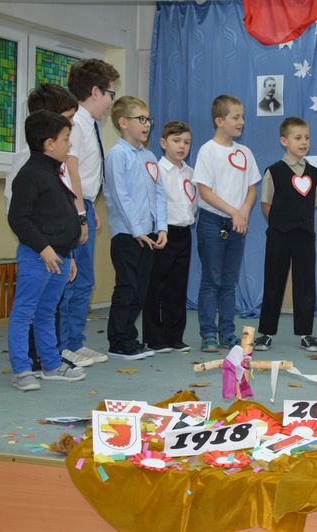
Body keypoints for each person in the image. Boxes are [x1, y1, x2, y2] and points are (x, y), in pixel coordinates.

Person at [3, 84, 85, 372]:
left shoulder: (54, 173)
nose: (70, 145)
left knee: (47, 312)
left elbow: (62, 217)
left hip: (60, 256)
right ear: (49, 144)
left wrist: (69, 254)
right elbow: (18, 219)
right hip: (38, 256)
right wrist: (44, 248)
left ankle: (51, 364)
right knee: (25, 312)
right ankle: (22, 369)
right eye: (66, 139)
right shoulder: (29, 174)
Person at [60, 58, 119, 365]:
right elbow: (71, 171)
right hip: (73, 209)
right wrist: (81, 213)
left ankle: (75, 341)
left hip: (84, 204)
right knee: (71, 280)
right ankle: (63, 346)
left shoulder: (90, 124)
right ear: (96, 92)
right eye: (111, 94)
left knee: (84, 279)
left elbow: (87, 173)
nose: (111, 102)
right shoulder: (76, 125)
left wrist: (90, 206)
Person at [194, 95, 261, 352]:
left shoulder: (245, 152)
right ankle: (208, 333)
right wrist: (234, 212)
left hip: (237, 224)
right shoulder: (208, 150)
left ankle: (226, 332)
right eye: (236, 117)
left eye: (242, 116)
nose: (241, 121)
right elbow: (204, 190)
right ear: (219, 121)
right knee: (212, 280)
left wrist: (243, 211)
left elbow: (252, 187)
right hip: (213, 223)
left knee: (229, 282)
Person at [103, 96, 167, 360]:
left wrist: (161, 227)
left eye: (148, 119)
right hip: (127, 234)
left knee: (140, 288)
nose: (147, 124)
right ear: (123, 122)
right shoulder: (117, 155)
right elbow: (121, 197)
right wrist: (138, 229)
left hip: (148, 234)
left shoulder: (149, 156)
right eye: (141, 119)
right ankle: (118, 341)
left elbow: (159, 193)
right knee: (127, 286)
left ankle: (130, 337)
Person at [254, 117, 317, 352]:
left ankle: (306, 333)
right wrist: (279, 224)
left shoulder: (315, 174)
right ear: (284, 141)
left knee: (305, 284)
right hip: (279, 236)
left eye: (307, 138)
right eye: (298, 138)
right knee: (274, 281)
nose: (303, 142)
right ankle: (266, 333)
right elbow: (266, 203)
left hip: (304, 236)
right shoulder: (273, 171)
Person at [142, 121, 195, 353]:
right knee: (156, 285)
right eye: (176, 141)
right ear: (163, 143)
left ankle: (175, 336)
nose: (182, 146)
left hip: (184, 233)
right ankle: (154, 337)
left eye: (186, 142)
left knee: (178, 286)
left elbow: (192, 203)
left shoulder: (191, 173)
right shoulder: (157, 170)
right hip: (162, 233)